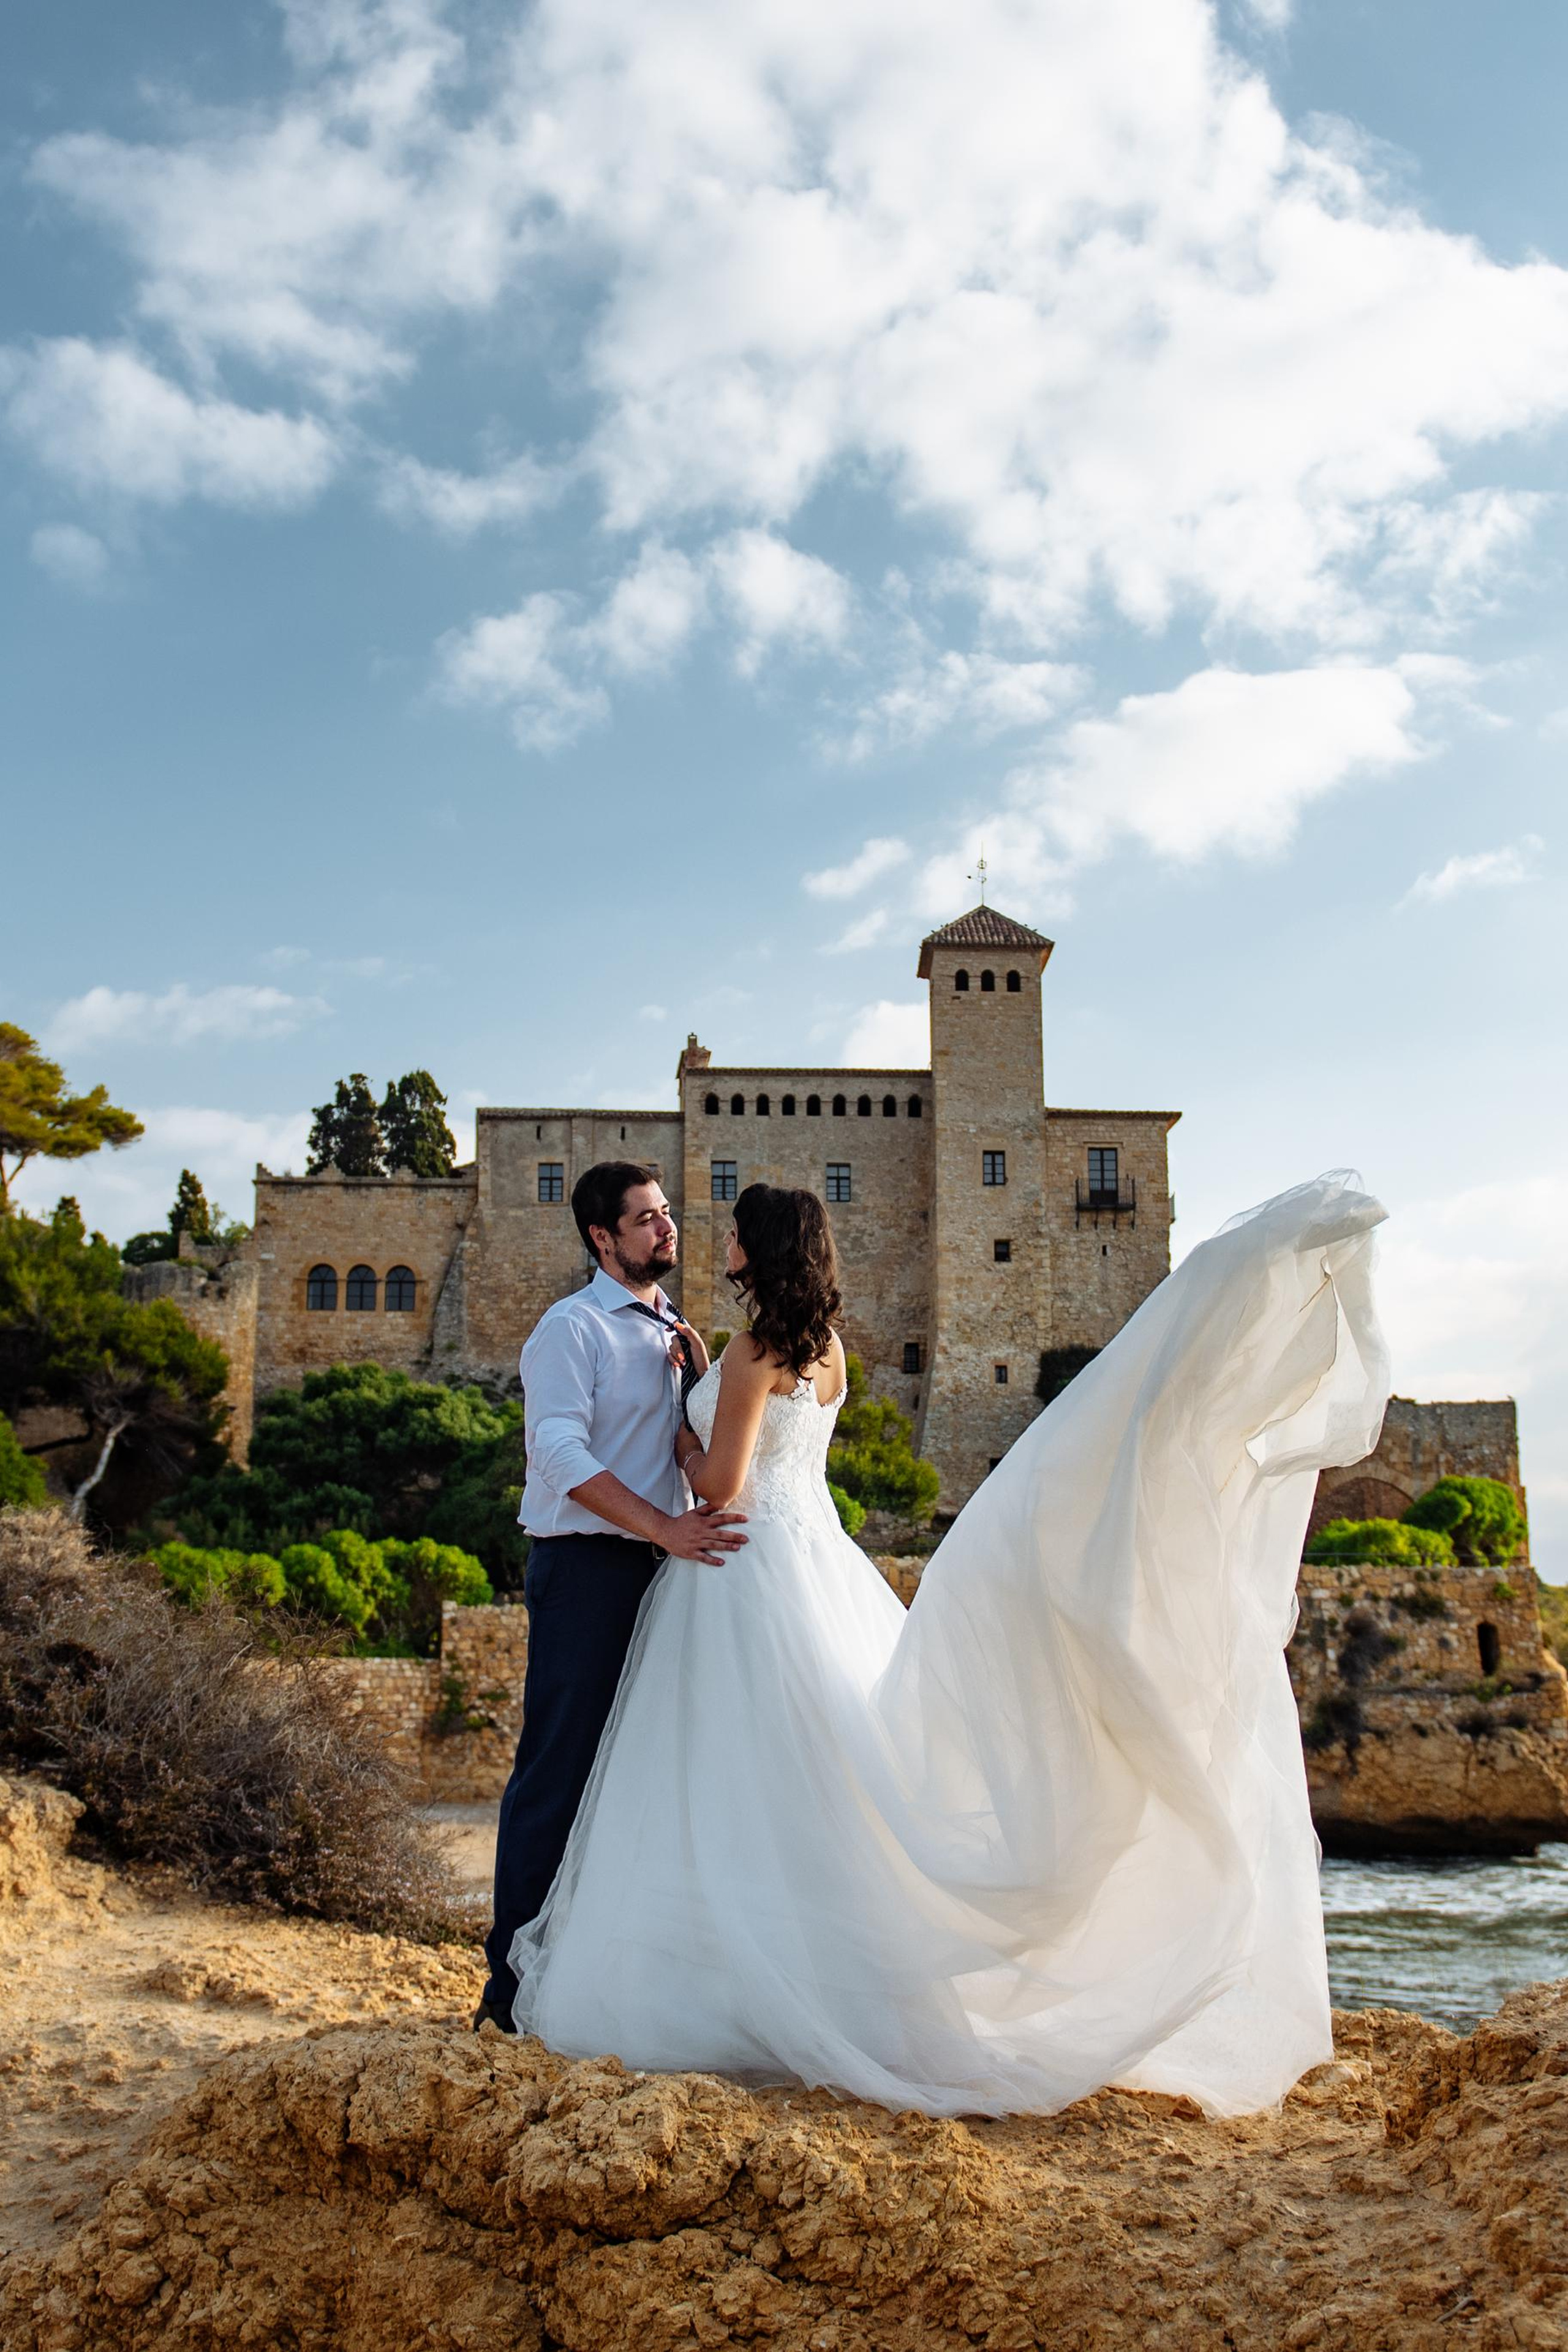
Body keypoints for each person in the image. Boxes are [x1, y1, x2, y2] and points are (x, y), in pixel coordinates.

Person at [499, 1169, 1390, 2119]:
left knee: (716, 1778)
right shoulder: (827, 1350)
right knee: (818, 1781)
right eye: (653, 1218)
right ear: (605, 1237)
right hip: (813, 1563)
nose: (702, 1236)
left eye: (725, 1229)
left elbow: (719, 1486)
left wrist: (684, 1445)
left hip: (733, 1566)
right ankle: (823, 1980)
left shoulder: (748, 1348)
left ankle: (707, 1985)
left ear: (758, 1249)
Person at [475, 1161, 747, 2032]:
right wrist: (662, 1527)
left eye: (666, 1214)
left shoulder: (674, 1328)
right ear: (602, 1237)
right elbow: (557, 1454)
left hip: (664, 1572)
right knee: (558, 1775)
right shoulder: (572, 1327)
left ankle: (599, 1988)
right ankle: (507, 1996)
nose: (668, 1228)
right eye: (646, 1219)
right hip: (587, 1571)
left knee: (643, 1776)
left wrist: (696, 1374)